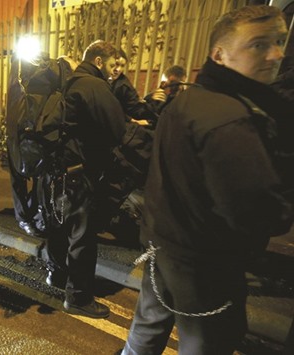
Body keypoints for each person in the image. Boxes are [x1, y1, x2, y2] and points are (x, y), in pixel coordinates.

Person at [121, 5, 293, 354]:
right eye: (258, 45)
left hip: (161, 242)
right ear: (219, 53)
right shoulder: (232, 118)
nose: (276, 54)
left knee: (147, 328)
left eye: (278, 41)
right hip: (205, 262)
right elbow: (257, 212)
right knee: (207, 342)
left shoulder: (187, 100)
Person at [44, 40, 127, 318]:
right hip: (80, 174)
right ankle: (78, 298)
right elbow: (117, 129)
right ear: (99, 61)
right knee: (82, 236)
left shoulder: (68, 82)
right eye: (113, 64)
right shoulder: (94, 85)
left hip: (57, 171)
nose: (115, 70)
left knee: (59, 227)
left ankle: (57, 275)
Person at [110, 48, 159, 124]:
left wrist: (134, 121)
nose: (118, 69)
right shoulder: (110, 81)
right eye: (116, 64)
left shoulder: (121, 86)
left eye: (122, 66)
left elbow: (115, 111)